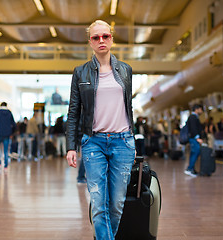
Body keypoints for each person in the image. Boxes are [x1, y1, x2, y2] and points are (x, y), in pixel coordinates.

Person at [66, 20, 135, 240]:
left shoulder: (125, 70)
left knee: (116, 204)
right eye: (96, 37)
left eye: (105, 36)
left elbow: (128, 106)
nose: (101, 40)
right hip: (92, 142)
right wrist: (71, 147)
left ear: (112, 38)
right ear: (90, 42)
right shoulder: (80, 72)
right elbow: (73, 112)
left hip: (122, 142)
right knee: (98, 203)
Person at [0, 102, 16, 173]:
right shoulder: (9, 113)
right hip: (7, 134)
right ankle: (6, 166)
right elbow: (14, 124)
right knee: (6, 150)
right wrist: (11, 132)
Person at [184, 104, 204, 177]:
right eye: (201, 109)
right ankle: (189, 169)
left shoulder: (194, 117)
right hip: (194, 138)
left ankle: (191, 168)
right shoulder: (192, 117)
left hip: (194, 138)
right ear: (197, 109)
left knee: (194, 152)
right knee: (196, 151)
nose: (201, 111)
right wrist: (197, 138)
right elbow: (193, 128)